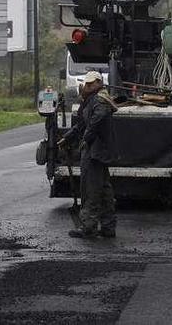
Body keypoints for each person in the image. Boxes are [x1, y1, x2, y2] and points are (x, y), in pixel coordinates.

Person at [57, 71, 118, 238]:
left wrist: (87, 138)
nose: (86, 87)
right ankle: (107, 226)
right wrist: (67, 138)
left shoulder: (99, 100)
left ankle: (88, 227)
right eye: (86, 84)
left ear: (98, 83)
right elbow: (82, 124)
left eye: (90, 84)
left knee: (90, 189)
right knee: (104, 190)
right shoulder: (92, 101)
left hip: (95, 151)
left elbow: (96, 120)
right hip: (98, 150)